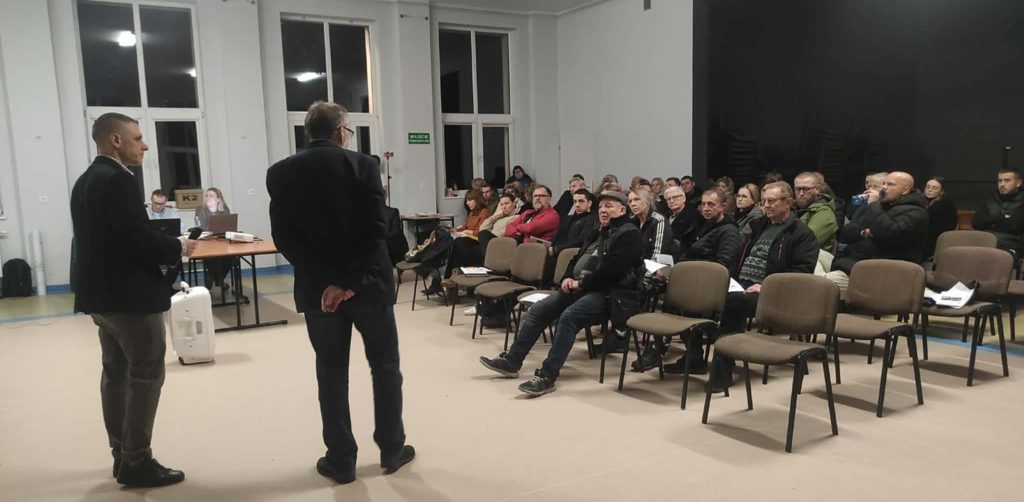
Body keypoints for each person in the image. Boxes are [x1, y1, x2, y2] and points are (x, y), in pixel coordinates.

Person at [267, 101, 414, 484]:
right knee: (385, 367)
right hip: (369, 286)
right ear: (340, 132)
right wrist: (346, 282)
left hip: (319, 292)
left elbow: (284, 238)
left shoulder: (280, 173)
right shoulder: (363, 165)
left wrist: (328, 283)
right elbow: (375, 230)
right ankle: (392, 449)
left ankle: (341, 459)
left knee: (331, 373)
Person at [71, 112, 198, 487]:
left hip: (100, 298)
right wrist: (177, 246)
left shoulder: (85, 181)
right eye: (138, 138)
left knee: (115, 375)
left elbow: (106, 239)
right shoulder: (119, 180)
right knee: (145, 374)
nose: (145, 146)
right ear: (115, 140)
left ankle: (121, 454)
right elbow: (135, 241)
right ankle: (137, 461)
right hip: (129, 299)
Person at [478, 190, 645, 396]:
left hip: (610, 295)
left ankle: (547, 376)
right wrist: (567, 277)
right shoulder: (599, 231)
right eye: (601, 206)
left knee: (568, 317)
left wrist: (581, 283)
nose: (603, 210)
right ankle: (512, 361)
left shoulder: (630, 235)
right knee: (539, 310)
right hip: (581, 288)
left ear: (622, 210)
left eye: (609, 206)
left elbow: (613, 271)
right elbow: (576, 258)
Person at [713, 181, 819, 391]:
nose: (766, 206)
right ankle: (695, 357)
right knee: (704, 296)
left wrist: (766, 286)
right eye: (763, 202)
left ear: (787, 202)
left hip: (773, 292)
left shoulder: (802, 234)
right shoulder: (759, 226)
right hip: (742, 284)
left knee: (732, 304)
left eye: (771, 201)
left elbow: (802, 274)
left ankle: (721, 373)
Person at [635, 188, 743, 373]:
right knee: (659, 288)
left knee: (674, 298)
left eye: (711, 204)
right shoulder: (706, 226)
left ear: (723, 206)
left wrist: (686, 275)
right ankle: (687, 354)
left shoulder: (729, 232)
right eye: (703, 204)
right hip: (693, 279)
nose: (706, 208)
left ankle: (665, 351)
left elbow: (722, 266)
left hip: (711, 284)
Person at [827, 171, 928, 294]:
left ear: (905, 190)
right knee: (818, 256)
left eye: (890, 184)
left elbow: (887, 232)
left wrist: (874, 204)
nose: (884, 187)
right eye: (884, 183)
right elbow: (847, 232)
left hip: (881, 271)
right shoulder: (883, 207)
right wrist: (864, 232)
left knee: (821, 284)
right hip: (854, 262)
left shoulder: (917, 213)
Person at [424, 189, 492, 294]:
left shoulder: (484, 212)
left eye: (470, 200)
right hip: (466, 241)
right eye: (467, 200)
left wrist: (469, 232)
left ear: (477, 200)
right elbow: (465, 226)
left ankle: (442, 279)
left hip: (476, 242)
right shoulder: (471, 213)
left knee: (457, 244)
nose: (467, 203)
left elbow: (483, 231)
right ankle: (441, 278)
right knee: (443, 237)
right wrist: (454, 230)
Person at [971, 167, 1024, 256]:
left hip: (1013, 246)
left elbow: (1015, 225)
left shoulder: (1022, 202)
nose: (1002, 184)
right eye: (1000, 181)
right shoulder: (990, 200)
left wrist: (990, 221)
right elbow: (976, 222)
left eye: (1007, 181)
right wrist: (1002, 217)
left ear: (1018, 183)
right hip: (986, 241)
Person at [793, 171, 839, 252]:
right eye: (797, 189)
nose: (801, 193)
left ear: (817, 189)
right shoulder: (792, 207)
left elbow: (807, 243)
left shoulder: (824, 212)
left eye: (806, 189)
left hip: (812, 257)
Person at [629, 186, 672, 259]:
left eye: (637, 199)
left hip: (655, 264)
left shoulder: (658, 220)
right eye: (630, 201)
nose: (633, 204)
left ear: (648, 201)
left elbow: (658, 255)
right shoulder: (631, 222)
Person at [923, 176, 958, 258]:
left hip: (936, 241)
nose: (930, 190)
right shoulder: (919, 202)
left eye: (934, 188)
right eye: (928, 187)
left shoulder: (947, 205)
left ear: (941, 191)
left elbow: (945, 228)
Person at [664, 186, 701, 260]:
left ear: (684, 198)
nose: (671, 201)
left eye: (675, 197)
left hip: (685, 256)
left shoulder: (693, 214)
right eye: (668, 199)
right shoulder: (665, 215)